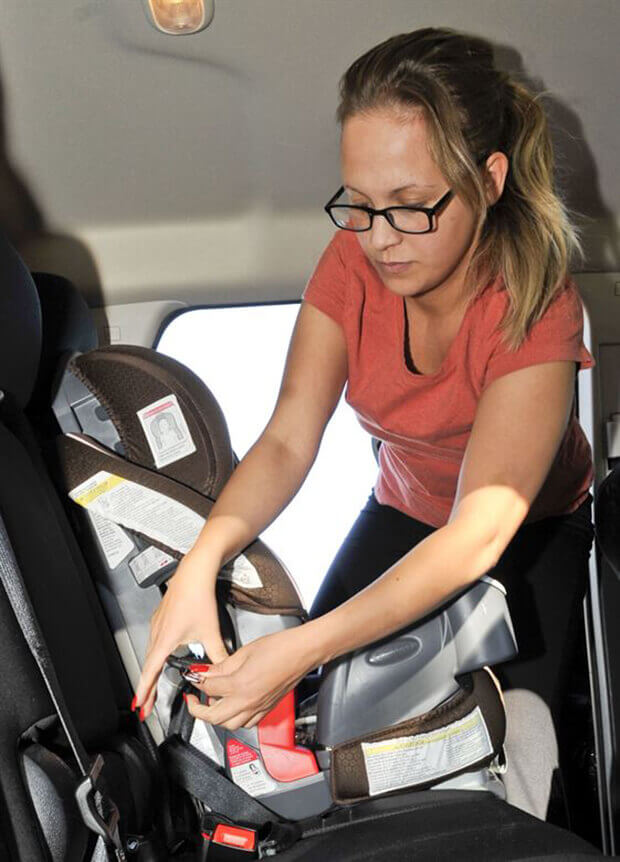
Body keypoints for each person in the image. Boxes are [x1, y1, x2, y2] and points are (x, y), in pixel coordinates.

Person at [132, 26, 595, 814]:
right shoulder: (351, 260)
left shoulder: (535, 307)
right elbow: (286, 438)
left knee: (525, 761)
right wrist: (200, 564)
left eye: (412, 208)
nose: (380, 239)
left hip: (531, 534)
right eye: (362, 204)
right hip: (404, 508)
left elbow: (479, 534)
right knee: (326, 712)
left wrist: (299, 647)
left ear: (488, 180)